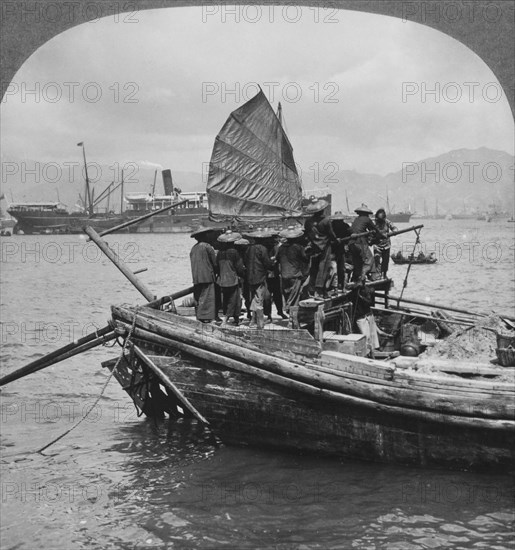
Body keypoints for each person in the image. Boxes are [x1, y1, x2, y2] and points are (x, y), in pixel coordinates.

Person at [304, 199, 339, 298]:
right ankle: (319, 291)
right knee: (324, 269)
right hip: (324, 247)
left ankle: (316, 290)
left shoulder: (308, 222)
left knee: (314, 269)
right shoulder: (326, 220)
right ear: (322, 210)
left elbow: (307, 234)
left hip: (314, 247)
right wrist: (336, 240)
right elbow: (331, 235)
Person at [244, 227, 275, 327]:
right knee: (259, 299)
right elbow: (267, 263)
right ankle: (259, 323)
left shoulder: (249, 249)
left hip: (250, 277)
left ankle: (252, 321)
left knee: (254, 298)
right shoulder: (262, 249)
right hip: (259, 276)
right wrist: (272, 263)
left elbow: (245, 261)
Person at [276, 225, 310, 312]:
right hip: (294, 274)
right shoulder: (298, 247)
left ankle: (289, 310)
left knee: (287, 295)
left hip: (284, 274)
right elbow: (305, 258)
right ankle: (292, 315)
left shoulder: (281, 248)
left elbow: (277, 259)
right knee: (295, 297)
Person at [189, 227, 219, 323]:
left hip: (196, 277)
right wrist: (217, 271)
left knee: (198, 296)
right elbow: (214, 263)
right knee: (208, 297)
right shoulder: (207, 247)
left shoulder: (193, 248)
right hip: (207, 276)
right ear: (204, 236)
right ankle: (209, 317)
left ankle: (199, 316)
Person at [216, 230, 245, 325]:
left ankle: (236, 319)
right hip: (232, 279)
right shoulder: (234, 252)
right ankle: (226, 319)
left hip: (222, 280)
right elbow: (239, 267)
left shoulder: (220, 253)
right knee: (234, 299)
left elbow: (217, 267)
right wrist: (243, 275)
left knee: (226, 299)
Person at [349, 204, 381, 282]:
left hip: (351, 243)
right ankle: (362, 277)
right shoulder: (367, 219)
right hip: (360, 243)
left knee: (357, 261)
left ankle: (356, 278)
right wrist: (381, 236)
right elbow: (375, 230)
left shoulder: (356, 219)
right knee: (369, 259)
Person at [373, 208, 397, 278]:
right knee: (377, 259)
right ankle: (378, 275)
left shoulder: (387, 222)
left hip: (386, 245)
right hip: (377, 245)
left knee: (385, 261)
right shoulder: (374, 223)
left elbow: (394, 228)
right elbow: (369, 231)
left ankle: (384, 274)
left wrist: (394, 232)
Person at [234, 237, 251, 318]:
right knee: (245, 296)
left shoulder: (240, 254)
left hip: (243, 277)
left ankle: (247, 312)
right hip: (243, 277)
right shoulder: (240, 255)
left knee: (245, 296)